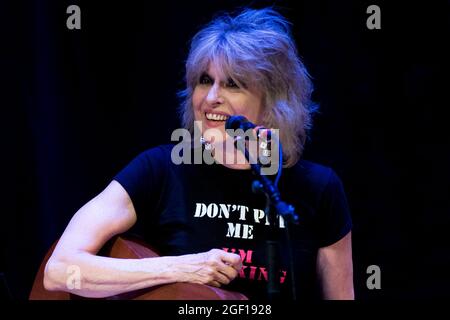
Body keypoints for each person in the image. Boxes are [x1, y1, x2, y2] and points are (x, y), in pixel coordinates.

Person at [43, 7, 354, 300]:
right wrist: (180, 267)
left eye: (233, 84)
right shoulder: (160, 170)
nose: (211, 97)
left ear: (272, 101)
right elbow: (59, 270)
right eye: (205, 81)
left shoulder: (319, 188)